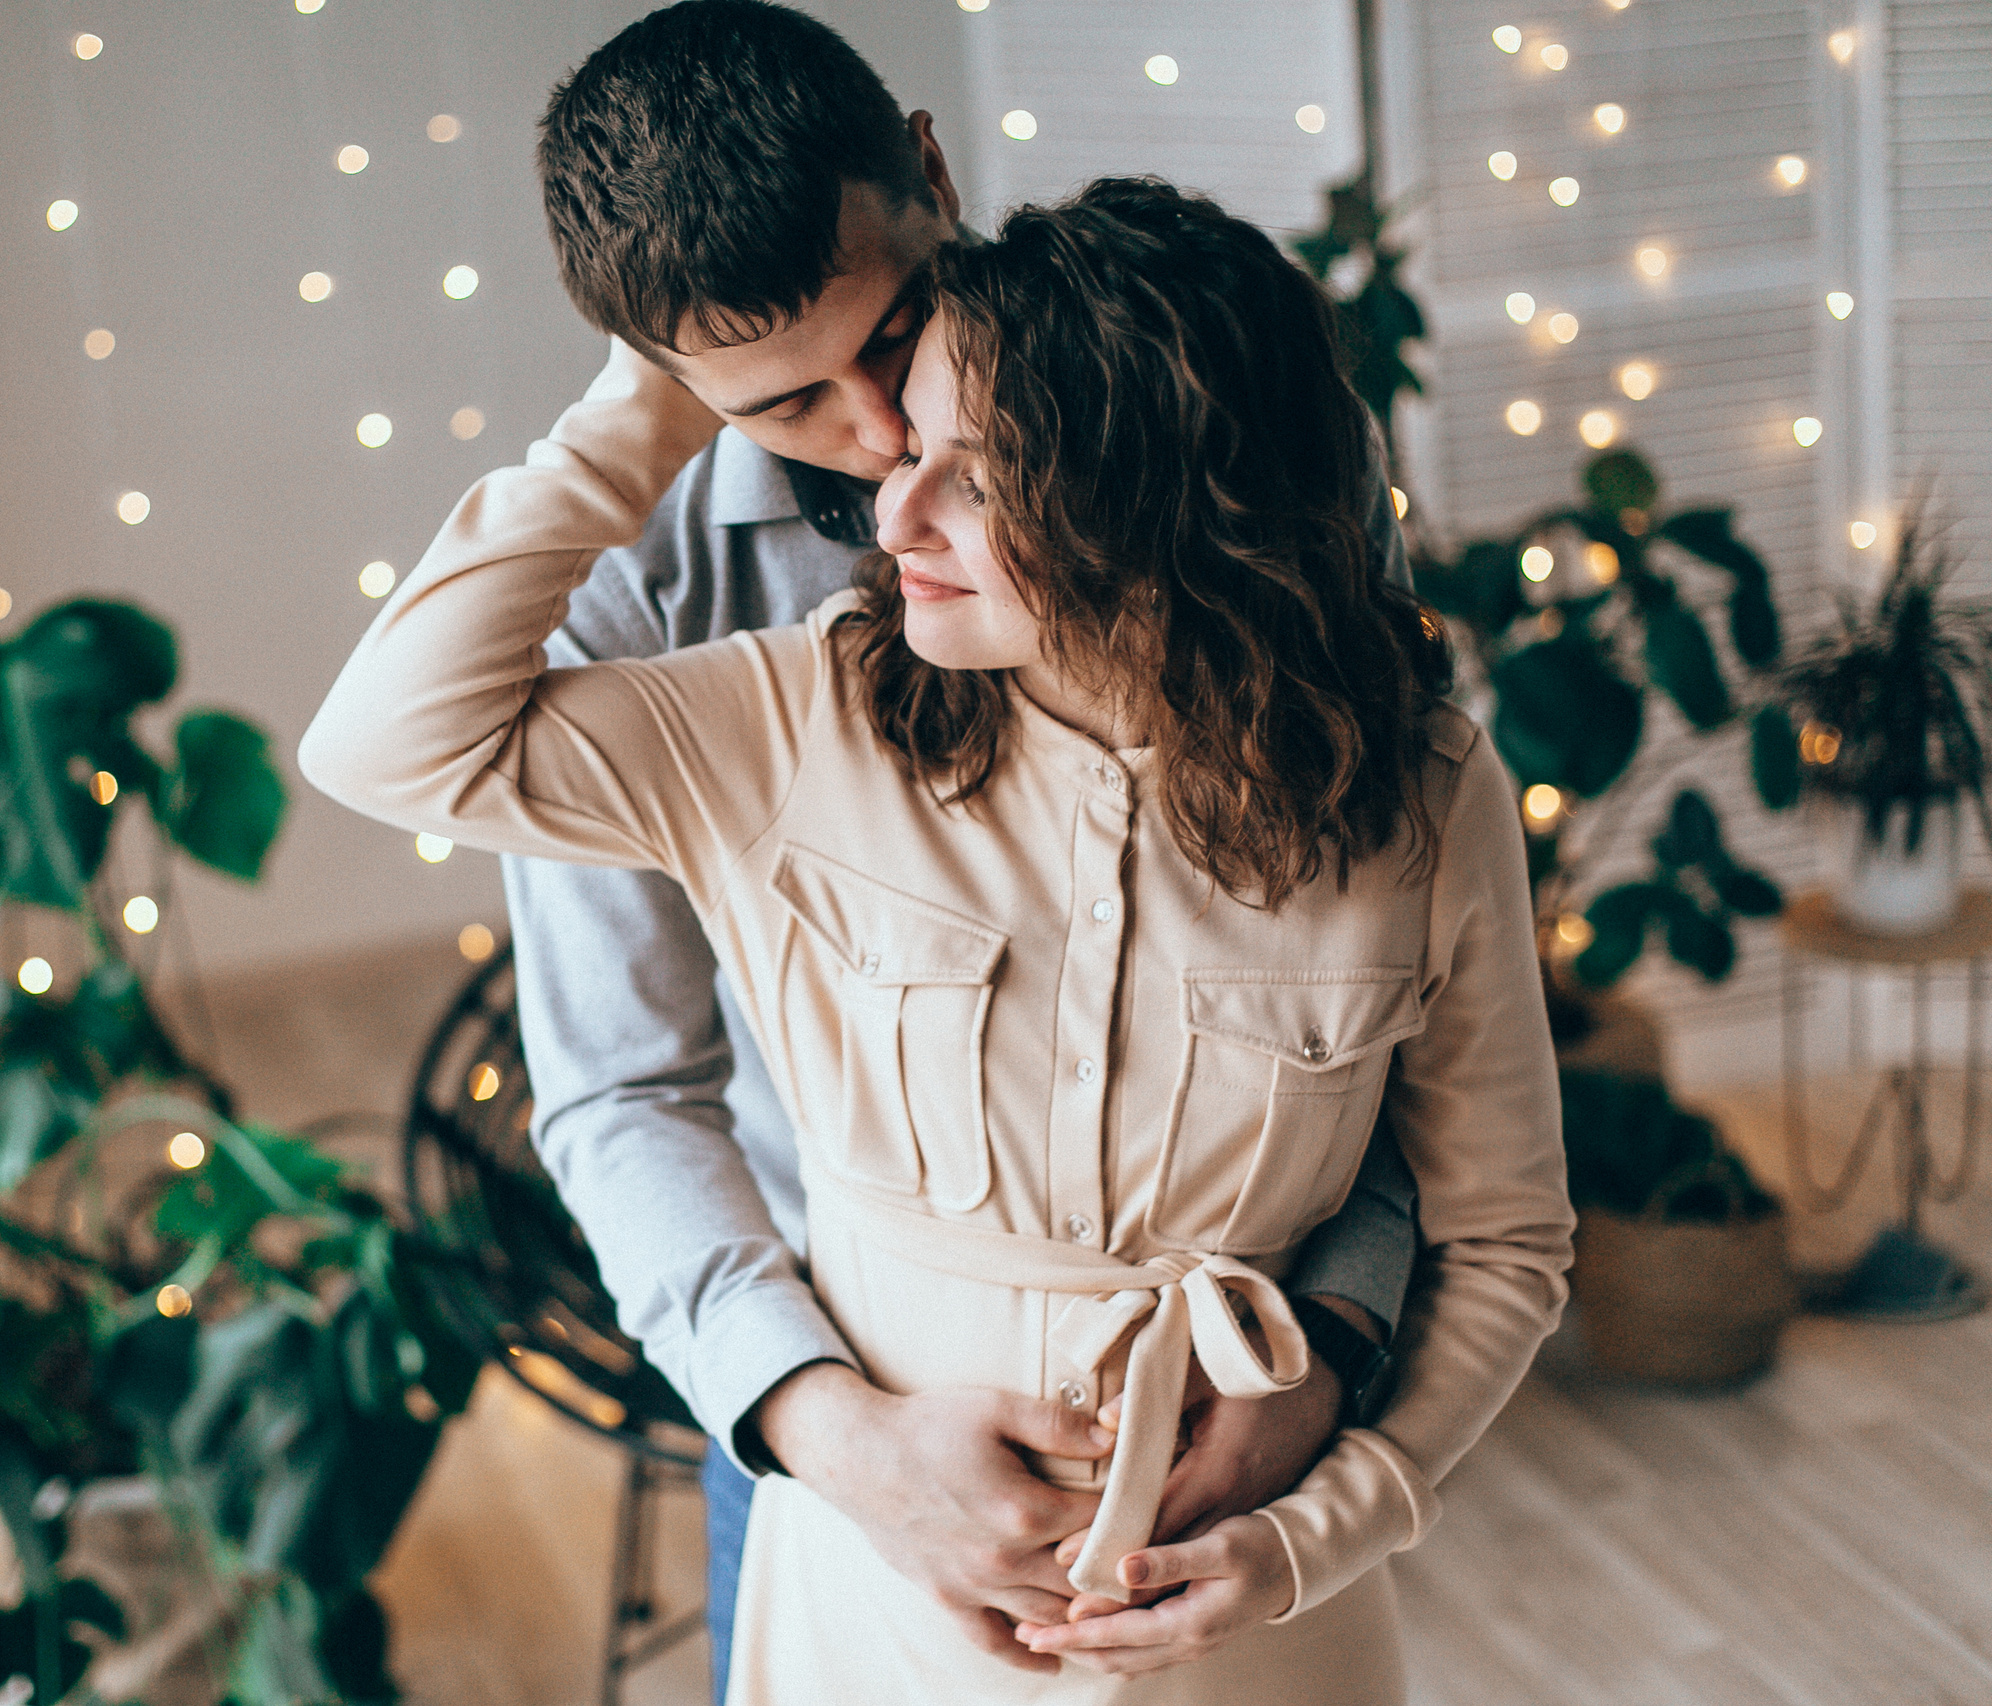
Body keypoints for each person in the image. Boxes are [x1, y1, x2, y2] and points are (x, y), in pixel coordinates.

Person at [300, 170, 1571, 1701]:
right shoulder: (791, 714)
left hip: (1248, 1617)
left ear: (1162, 502)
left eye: (977, 472)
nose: (888, 493)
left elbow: (1500, 1230)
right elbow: (384, 746)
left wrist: (1322, 1523)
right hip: (878, 1573)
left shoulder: (1422, 792)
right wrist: (670, 377)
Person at [513, 4, 1418, 1694]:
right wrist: (830, 1432)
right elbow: (620, 1088)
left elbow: (1369, 971)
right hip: (841, 1409)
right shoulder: (634, 611)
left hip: (1240, 1402)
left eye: (898, 335)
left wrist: (1337, 1346)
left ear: (932, 171)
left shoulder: (1202, 419)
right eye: (784, 396)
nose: (876, 440)